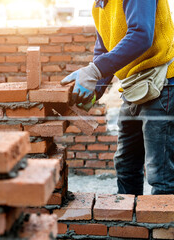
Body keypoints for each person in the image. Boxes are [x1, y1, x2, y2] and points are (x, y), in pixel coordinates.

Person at [61, 0, 174, 195]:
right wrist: (92, 92)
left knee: (161, 173)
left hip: (162, 86)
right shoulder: (100, 4)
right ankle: (130, 222)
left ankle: (163, 224)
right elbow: (104, 50)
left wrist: (94, 71)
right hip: (134, 89)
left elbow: (140, 35)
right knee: (126, 165)